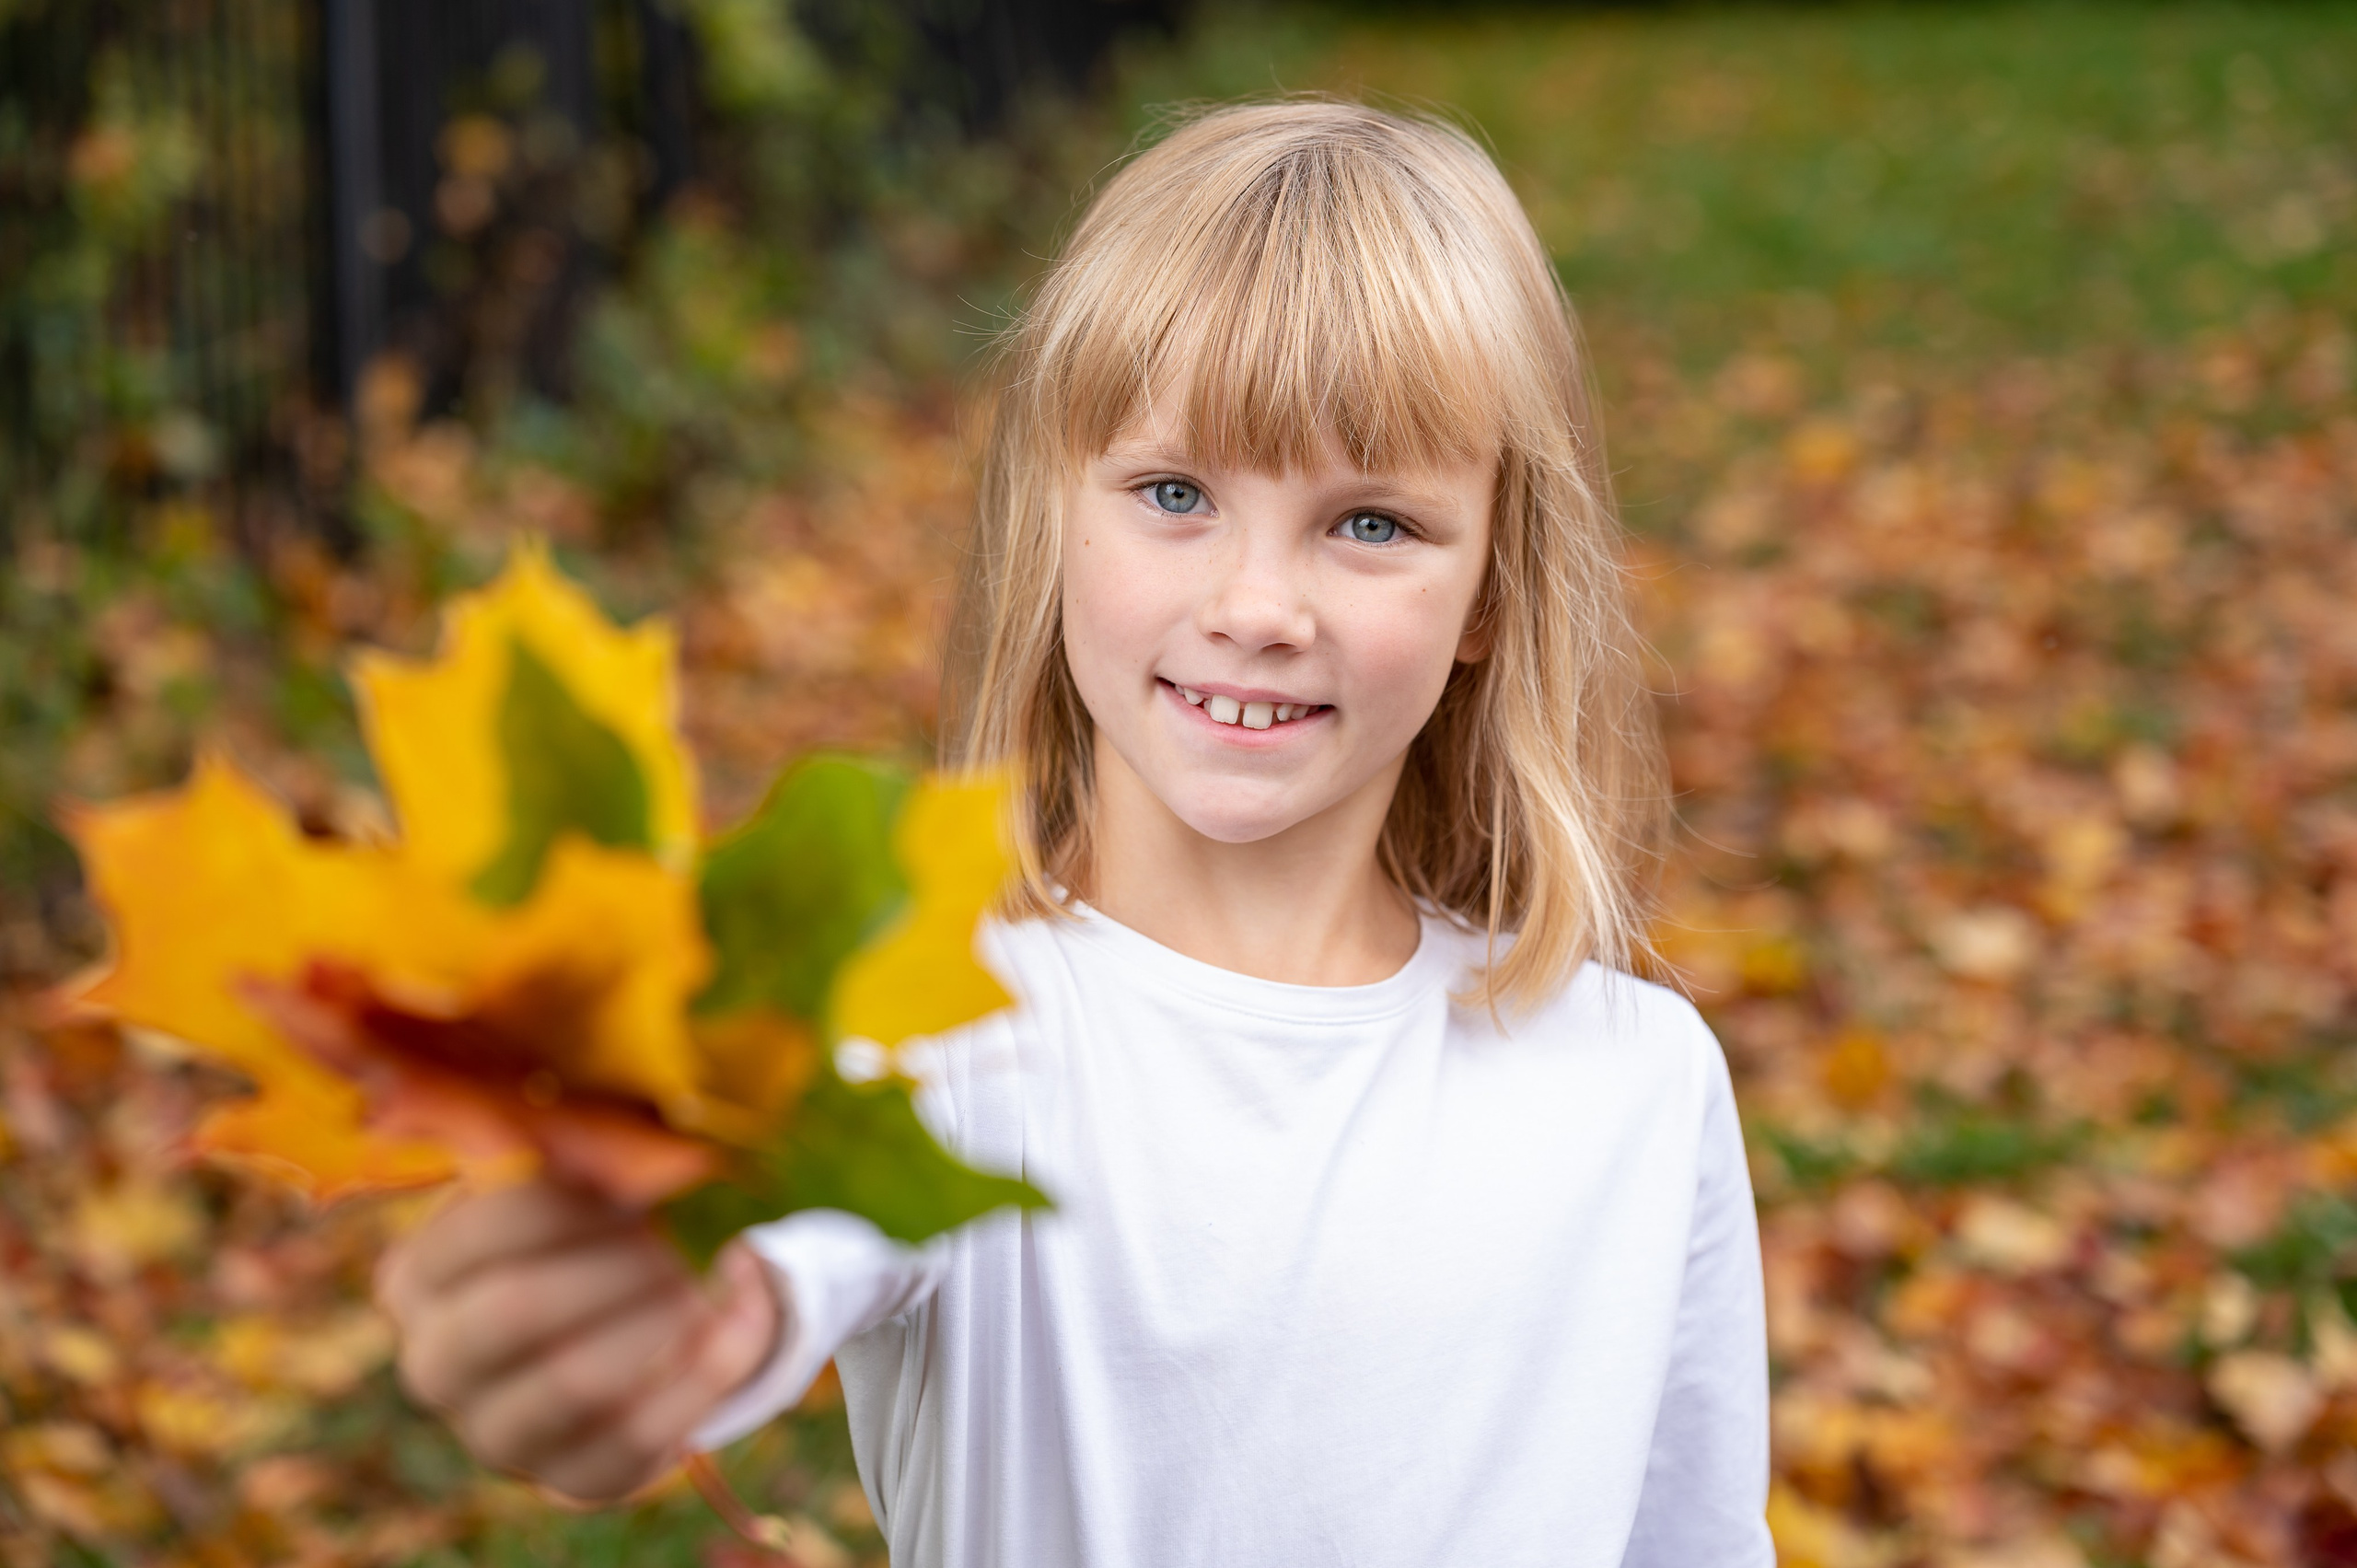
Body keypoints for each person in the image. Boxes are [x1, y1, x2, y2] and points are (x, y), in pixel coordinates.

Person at [374, 99, 1774, 1566]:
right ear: (1055, 525)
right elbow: (756, 1288)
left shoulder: (1635, 1087)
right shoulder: (943, 1037)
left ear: (1493, 588)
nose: (1256, 608)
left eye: (1370, 524)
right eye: (1174, 494)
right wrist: (633, 1336)